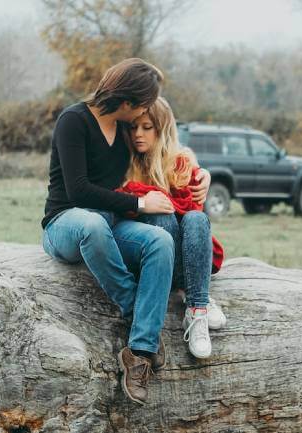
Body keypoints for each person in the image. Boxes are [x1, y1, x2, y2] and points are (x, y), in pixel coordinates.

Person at [41, 58, 211, 405]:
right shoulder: (73, 121)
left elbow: (166, 153)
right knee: (92, 224)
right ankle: (138, 312)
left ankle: (139, 353)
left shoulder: (123, 130)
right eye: (145, 102)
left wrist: (200, 172)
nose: (144, 113)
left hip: (112, 223)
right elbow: (78, 190)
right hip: (67, 222)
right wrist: (141, 205)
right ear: (129, 101)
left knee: (160, 241)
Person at [118, 97, 227, 359]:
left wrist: (204, 174)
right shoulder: (125, 162)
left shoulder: (180, 161)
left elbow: (194, 208)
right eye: (133, 128)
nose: (138, 134)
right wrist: (146, 202)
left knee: (197, 219)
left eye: (146, 127)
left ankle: (196, 310)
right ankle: (195, 293)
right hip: (154, 259)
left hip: (186, 253)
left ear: (162, 128)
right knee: (163, 218)